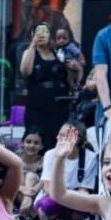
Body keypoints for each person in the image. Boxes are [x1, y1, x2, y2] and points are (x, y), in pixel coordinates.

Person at [35, 122, 97, 220]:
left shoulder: (90, 157)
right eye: (60, 134)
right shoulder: (50, 154)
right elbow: (47, 187)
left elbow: (85, 190)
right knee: (48, 204)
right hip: (54, 195)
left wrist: (66, 196)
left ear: (77, 139)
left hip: (74, 197)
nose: (59, 138)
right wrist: (63, 195)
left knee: (87, 203)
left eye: (64, 135)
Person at [21, 22, 71, 150]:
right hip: (37, 108)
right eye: (38, 32)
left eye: (45, 32)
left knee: (56, 142)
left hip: (58, 108)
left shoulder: (58, 53)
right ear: (33, 35)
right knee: (38, 142)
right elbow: (25, 71)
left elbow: (68, 80)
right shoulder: (29, 52)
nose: (42, 35)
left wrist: (74, 69)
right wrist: (33, 44)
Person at [16, 129, 45, 220]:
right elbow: (5, 179)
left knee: (30, 177)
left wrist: (30, 192)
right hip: (17, 193)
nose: (32, 145)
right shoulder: (14, 159)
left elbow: (46, 180)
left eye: (36, 143)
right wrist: (22, 189)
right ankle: (35, 217)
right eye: (28, 142)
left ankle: (31, 217)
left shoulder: (44, 161)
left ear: (41, 146)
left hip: (37, 194)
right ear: (22, 143)